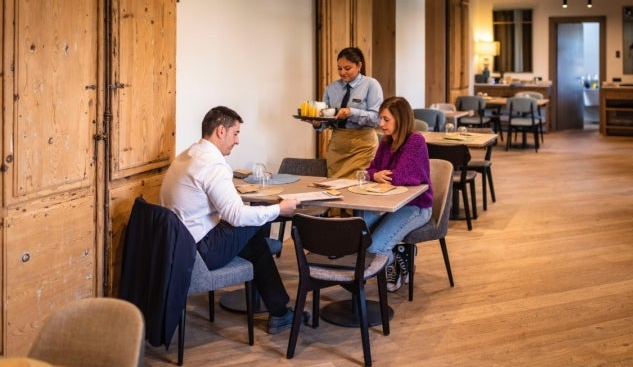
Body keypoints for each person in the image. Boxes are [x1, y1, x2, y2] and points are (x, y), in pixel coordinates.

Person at [160, 106, 305, 334]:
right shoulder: (213, 164)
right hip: (201, 252)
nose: (237, 141)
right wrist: (279, 209)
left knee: (254, 236)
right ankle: (279, 311)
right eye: (235, 133)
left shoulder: (190, 154)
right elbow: (236, 216)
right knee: (257, 220)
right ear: (220, 131)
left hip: (181, 245)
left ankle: (279, 311)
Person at [358, 96, 433, 292]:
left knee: (374, 249)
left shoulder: (415, 141)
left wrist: (376, 175)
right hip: (387, 203)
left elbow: (399, 177)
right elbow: (370, 170)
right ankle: (397, 254)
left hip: (416, 206)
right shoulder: (386, 142)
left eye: (386, 119)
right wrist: (375, 174)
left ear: (400, 119)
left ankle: (397, 262)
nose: (380, 124)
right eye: (380, 119)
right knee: (357, 235)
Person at [308, 47, 383, 178]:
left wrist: (351, 112)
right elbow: (326, 120)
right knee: (335, 188)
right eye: (339, 68)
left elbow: (376, 118)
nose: (342, 72)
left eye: (347, 68)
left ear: (359, 65)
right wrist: (317, 123)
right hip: (338, 147)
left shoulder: (371, 84)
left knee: (359, 186)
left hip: (362, 147)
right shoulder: (331, 88)